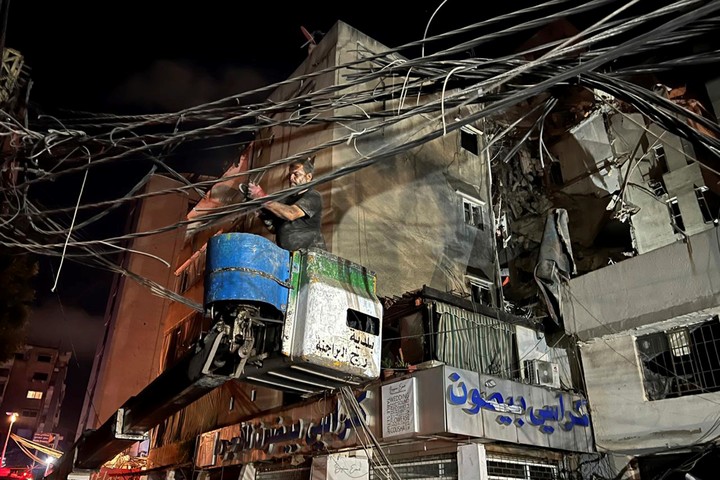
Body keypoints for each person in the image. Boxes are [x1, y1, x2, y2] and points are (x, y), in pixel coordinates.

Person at [248, 158, 327, 251]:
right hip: (288, 255)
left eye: (296, 174)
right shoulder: (286, 200)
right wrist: (262, 214)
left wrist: (262, 197)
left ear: (309, 177)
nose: (291, 178)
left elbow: (291, 214)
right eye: (290, 174)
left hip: (310, 254)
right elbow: (274, 229)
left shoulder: (313, 196)